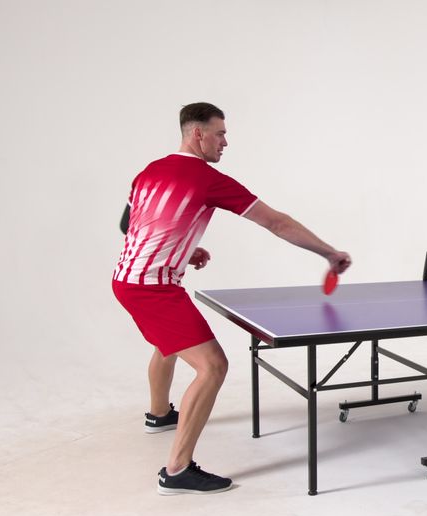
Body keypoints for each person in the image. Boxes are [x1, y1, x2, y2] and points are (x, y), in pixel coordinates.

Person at [113, 102, 352, 494]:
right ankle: (176, 471)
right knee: (213, 366)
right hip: (152, 287)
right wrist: (328, 252)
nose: (226, 141)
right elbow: (277, 222)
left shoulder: (149, 172)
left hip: (127, 279)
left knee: (168, 343)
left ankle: (158, 415)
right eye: (220, 133)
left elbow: (129, 224)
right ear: (198, 135)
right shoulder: (207, 179)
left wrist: (183, 251)